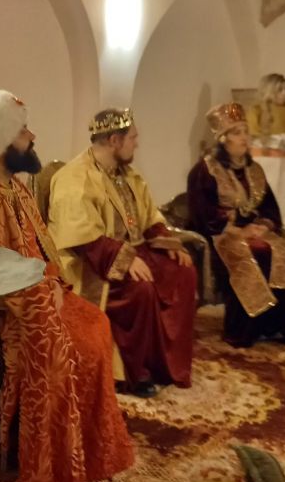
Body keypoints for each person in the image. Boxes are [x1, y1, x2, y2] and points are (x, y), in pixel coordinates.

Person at [0, 90, 134, 482]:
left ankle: (82, 447)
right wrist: (44, 294)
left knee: (96, 323)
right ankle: (47, 457)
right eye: (22, 130)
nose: (32, 136)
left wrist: (54, 285)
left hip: (33, 297)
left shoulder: (14, 185)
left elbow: (38, 250)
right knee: (74, 343)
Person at [47, 108, 197, 397]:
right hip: (91, 262)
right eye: (133, 138)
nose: (137, 144)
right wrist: (125, 260)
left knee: (182, 273)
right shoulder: (74, 178)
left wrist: (169, 243)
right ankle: (134, 374)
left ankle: (165, 366)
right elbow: (82, 238)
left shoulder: (126, 174)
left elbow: (148, 217)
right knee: (141, 288)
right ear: (114, 141)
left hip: (131, 252)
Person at [187, 102, 285, 348]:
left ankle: (272, 326)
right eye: (237, 133)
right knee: (253, 253)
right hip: (221, 233)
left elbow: (270, 206)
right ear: (223, 138)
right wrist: (238, 230)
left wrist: (263, 226)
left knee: (284, 249)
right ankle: (242, 330)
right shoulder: (204, 170)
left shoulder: (254, 169)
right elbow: (202, 212)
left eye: (246, 131)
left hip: (253, 229)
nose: (244, 138)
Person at [246, 73, 285, 232]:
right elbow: (251, 137)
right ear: (270, 91)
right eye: (280, 90)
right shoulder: (256, 110)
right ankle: (267, 235)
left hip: (284, 160)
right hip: (265, 160)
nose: (284, 94)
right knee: (268, 199)